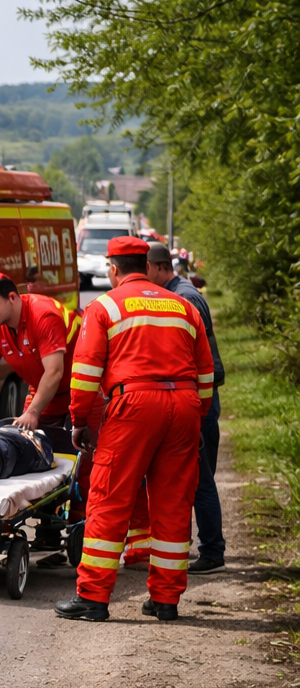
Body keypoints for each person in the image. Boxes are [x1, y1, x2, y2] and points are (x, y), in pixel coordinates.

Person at [54, 236, 214, 622]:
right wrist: (195, 417)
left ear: (113, 269)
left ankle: (93, 598)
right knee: (174, 504)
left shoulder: (105, 306)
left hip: (134, 406)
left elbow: (86, 371)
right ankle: (166, 600)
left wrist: (79, 421)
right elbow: (206, 374)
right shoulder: (182, 305)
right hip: (185, 405)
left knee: (109, 499)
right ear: (145, 264)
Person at [148, 242, 226, 573]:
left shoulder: (184, 298)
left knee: (200, 480)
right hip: (194, 400)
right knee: (197, 478)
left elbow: (199, 361)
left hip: (198, 403)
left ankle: (212, 552)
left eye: (144, 268)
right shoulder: (179, 292)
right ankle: (209, 548)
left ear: (157, 267)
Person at [0, 274, 80, 434]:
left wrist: (32, 412)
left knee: (86, 453)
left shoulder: (43, 316)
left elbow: (54, 372)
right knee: (28, 445)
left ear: (12, 298)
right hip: (44, 393)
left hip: (80, 392)